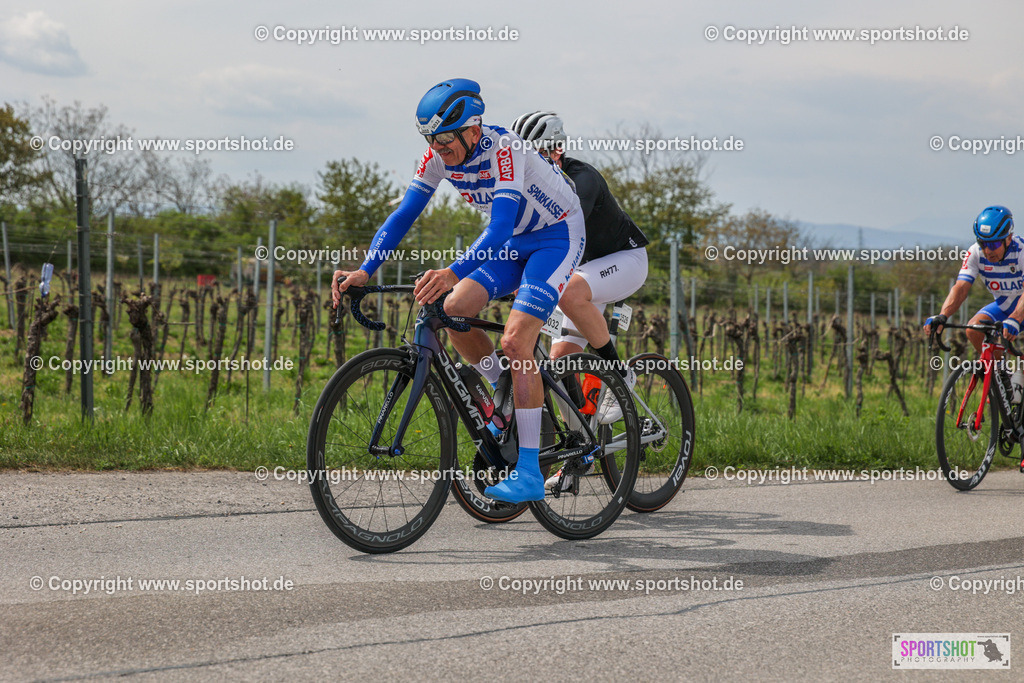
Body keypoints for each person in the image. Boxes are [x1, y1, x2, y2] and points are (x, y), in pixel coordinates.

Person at [332, 79, 585, 504]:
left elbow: (499, 226)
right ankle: (504, 387)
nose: (438, 147)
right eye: (430, 138)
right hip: (515, 242)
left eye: (445, 138)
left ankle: (528, 472)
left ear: (473, 129)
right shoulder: (438, 157)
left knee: (515, 341)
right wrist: (365, 269)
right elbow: (404, 214)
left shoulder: (505, 149)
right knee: (453, 308)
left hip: (556, 236)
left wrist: (451, 271)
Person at [510, 111, 650, 491]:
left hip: (624, 260)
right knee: (559, 363)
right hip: (584, 272)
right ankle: (581, 454)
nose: (527, 164)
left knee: (570, 291)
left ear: (556, 151)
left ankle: (621, 374)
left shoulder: (581, 180)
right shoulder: (527, 185)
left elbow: (563, 233)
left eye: (535, 155)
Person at [925, 205, 1024, 395]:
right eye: (982, 243)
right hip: (1004, 306)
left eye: (993, 245)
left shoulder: (1021, 251)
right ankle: (1001, 377)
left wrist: (1016, 318)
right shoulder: (975, 253)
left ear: (1008, 238)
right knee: (973, 329)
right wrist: (943, 315)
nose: (987, 250)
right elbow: (961, 288)